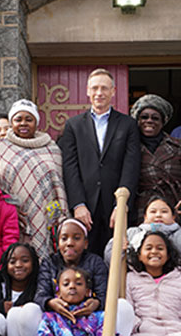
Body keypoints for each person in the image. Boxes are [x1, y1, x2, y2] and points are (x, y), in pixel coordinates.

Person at [10, 219, 136, 336]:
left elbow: (105, 294)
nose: (69, 242)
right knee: (26, 312)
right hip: (59, 328)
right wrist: (51, 302)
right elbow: (40, 294)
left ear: (85, 243)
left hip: (89, 329)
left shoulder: (95, 262)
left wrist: (96, 302)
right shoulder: (49, 262)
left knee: (122, 307)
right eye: (64, 238)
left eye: (76, 238)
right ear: (58, 243)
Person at [57, 68, 141, 255]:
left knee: (117, 259)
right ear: (87, 91)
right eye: (95, 88)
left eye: (104, 88)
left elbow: (131, 166)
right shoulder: (74, 125)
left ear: (113, 91)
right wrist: (78, 204)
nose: (99, 93)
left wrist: (121, 205)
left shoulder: (128, 125)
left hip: (116, 206)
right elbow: (70, 166)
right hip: (85, 207)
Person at [0, 99, 68, 261]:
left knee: (45, 264)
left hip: (45, 217)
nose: (23, 123)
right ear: (11, 123)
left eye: (29, 119)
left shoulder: (52, 149)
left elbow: (57, 188)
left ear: (36, 122)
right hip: (10, 217)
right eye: (18, 119)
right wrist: (8, 207)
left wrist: (57, 218)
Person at [104, 195, 181, 281]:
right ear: (145, 216)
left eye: (164, 212)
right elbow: (111, 260)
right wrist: (120, 249)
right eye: (153, 212)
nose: (158, 215)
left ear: (173, 217)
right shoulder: (132, 233)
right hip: (136, 287)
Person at [130, 94, 181, 222]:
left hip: (172, 208)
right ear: (137, 121)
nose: (149, 121)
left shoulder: (178, 147)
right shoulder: (130, 148)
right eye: (144, 117)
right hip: (142, 210)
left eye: (155, 118)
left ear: (163, 122)